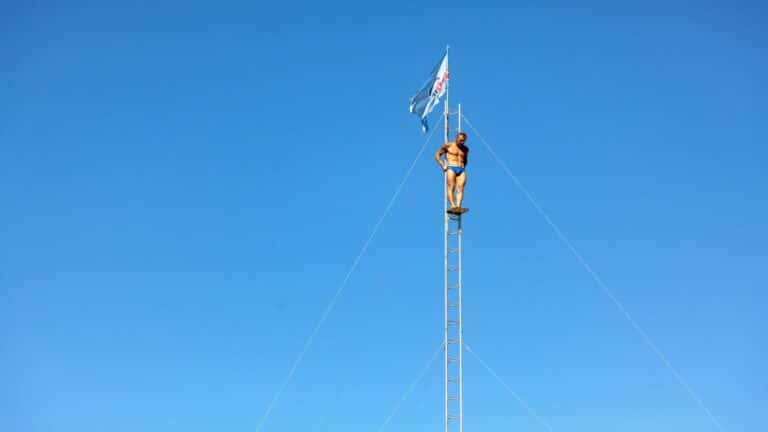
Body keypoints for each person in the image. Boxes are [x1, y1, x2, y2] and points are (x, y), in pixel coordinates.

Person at [434, 132, 469, 213]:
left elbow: (466, 159)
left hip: (461, 168)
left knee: (461, 188)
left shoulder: (466, 149)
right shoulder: (448, 145)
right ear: (456, 139)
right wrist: (442, 165)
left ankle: (458, 206)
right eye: (460, 140)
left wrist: (463, 165)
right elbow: (437, 154)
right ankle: (452, 205)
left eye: (463, 141)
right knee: (451, 186)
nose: (462, 142)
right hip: (451, 167)